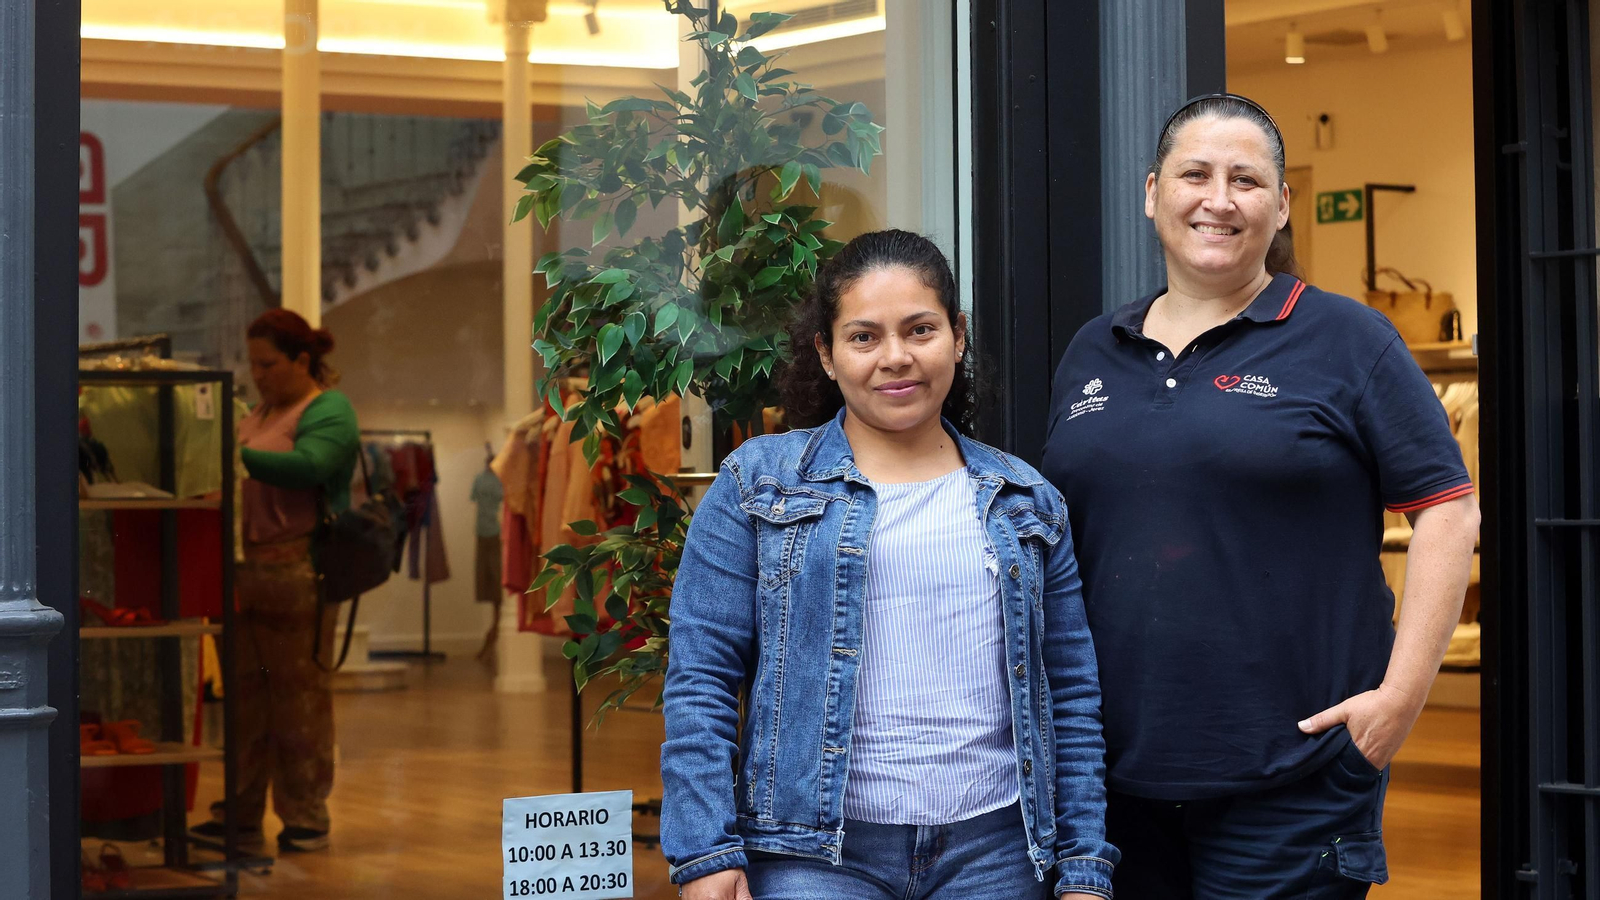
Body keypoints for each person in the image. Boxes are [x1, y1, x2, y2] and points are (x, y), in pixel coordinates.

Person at [1041, 93, 1480, 898]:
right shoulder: (1092, 351)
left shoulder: (1349, 340)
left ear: (1282, 205)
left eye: (1246, 179)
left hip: (1293, 780)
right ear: (1151, 193)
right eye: (1195, 174)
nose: (1218, 199)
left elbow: (1449, 510)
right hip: (1108, 785)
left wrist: (1400, 699)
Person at [661, 230, 1117, 900]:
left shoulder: (1026, 500)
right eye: (865, 336)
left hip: (995, 853)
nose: (896, 358)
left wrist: (1083, 869)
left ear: (958, 337)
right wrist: (706, 852)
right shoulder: (756, 486)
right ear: (827, 352)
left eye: (920, 329)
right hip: (810, 857)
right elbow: (700, 680)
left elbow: (1071, 694)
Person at [191, 309, 359, 854]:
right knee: (243, 699)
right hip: (245, 569)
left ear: (302, 361)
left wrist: (232, 457)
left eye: (268, 363)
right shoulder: (261, 410)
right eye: (253, 364)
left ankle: (305, 813)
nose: (258, 373)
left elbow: (310, 466)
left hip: (296, 570)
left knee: (299, 699)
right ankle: (238, 811)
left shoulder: (329, 409)